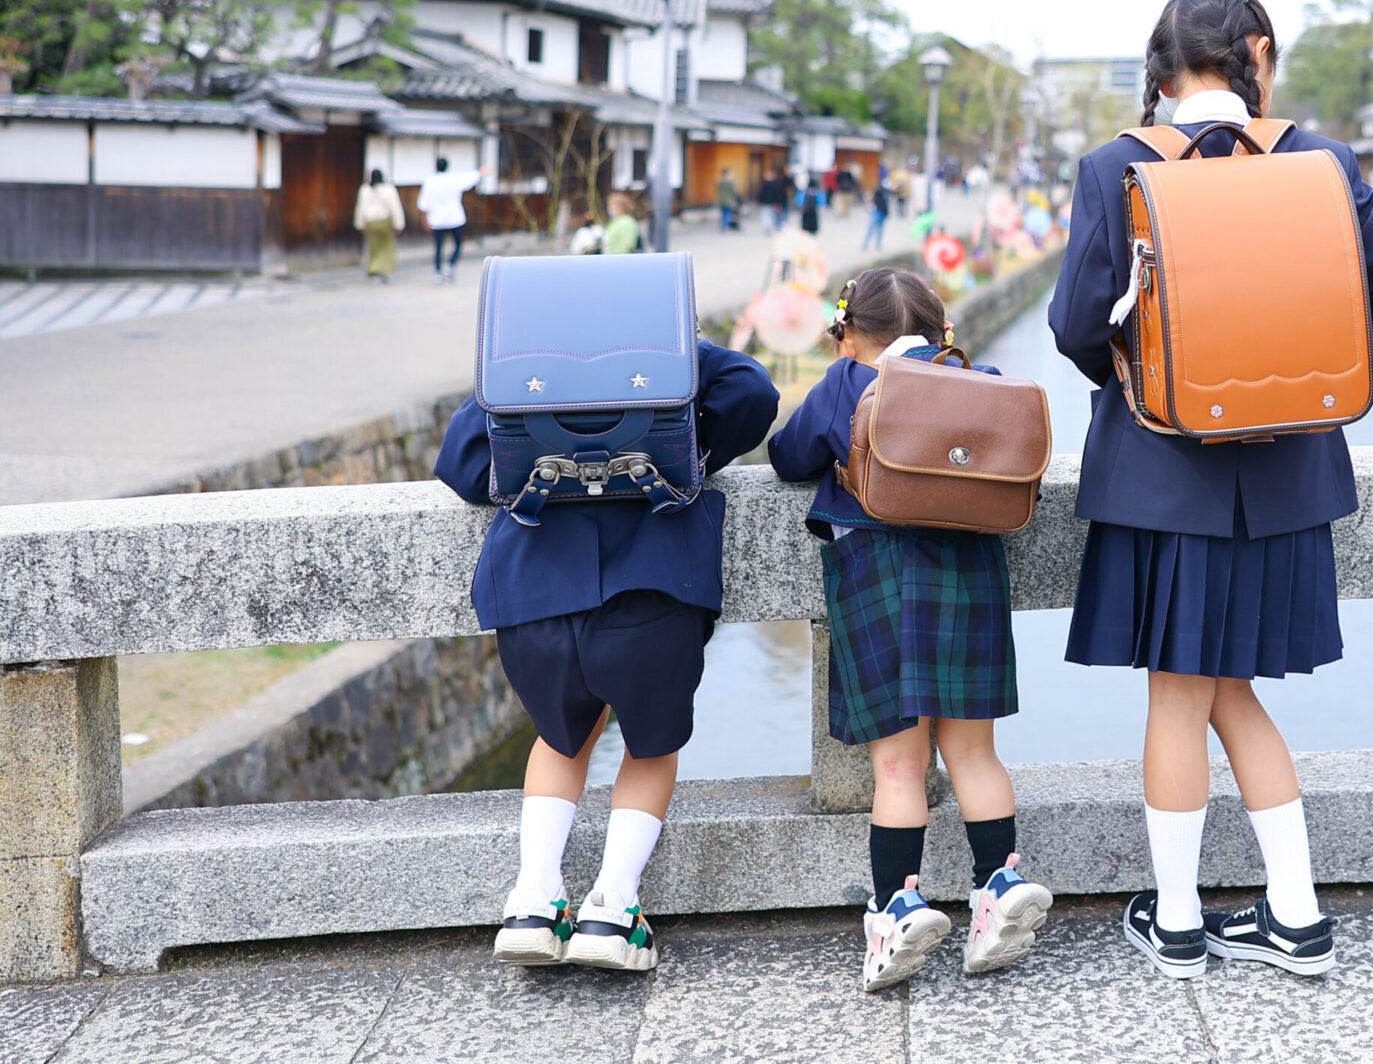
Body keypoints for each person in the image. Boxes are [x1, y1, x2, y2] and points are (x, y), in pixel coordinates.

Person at [1048, 0, 1373, 981]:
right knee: (1229, 688)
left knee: (1180, 696)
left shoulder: (1117, 165)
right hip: (1284, 479)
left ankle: (1180, 919)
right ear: (1257, 51)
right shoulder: (1317, 160)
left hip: (1158, 475)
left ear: (1162, 68)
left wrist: (1143, 379)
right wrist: (1317, 383)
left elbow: (1072, 325)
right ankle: (1296, 912)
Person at [435, 337, 779, 973]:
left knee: (559, 740)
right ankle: (612, 908)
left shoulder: (522, 362)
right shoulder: (668, 354)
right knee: (651, 748)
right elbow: (754, 394)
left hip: (536, 593)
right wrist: (692, 443)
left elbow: (461, 466)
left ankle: (533, 902)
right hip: (653, 587)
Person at [768, 268, 1052, 993]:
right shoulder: (978, 379)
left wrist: (843, 378)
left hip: (879, 572)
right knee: (975, 753)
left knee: (897, 765)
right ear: (942, 332)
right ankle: (999, 886)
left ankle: (899, 906)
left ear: (849, 332)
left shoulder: (846, 383)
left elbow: (788, 456)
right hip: (971, 575)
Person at [419, 156, 489, 285]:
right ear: (447, 166)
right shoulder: (454, 179)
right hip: (454, 218)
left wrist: (425, 219)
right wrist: (480, 172)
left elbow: (423, 203)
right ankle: (450, 266)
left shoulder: (430, 181)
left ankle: (438, 273)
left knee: (438, 247)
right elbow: (469, 178)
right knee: (458, 244)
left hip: (437, 219)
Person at [352, 169, 405, 284]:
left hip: (370, 222)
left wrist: (359, 223)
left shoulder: (365, 190)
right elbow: (395, 208)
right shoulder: (388, 190)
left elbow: (360, 208)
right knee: (386, 247)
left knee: (374, 247)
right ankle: (381, 270)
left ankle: (373, 269)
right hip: (384, 221)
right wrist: (399, 223)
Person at [861, 177, 893, 250]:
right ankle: (866, 244)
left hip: (883, 212)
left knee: (880, 229)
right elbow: (871, 198)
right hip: (877, 211)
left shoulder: (887, 192)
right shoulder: (879, 190)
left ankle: (877, 245)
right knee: (872, 227)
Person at [755, 170, 785, 235]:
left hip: (766, 203)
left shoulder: (765, 184)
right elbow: (779, 195)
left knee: (766, 215)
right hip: (772, 203)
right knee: (771, 216)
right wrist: (779, 203)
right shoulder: (776, 184)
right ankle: (769, 228)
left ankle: (767, 228)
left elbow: (760, 193)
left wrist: (758, 200)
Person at [717, 168, 741, 233]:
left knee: (724, 213)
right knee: (728, 213)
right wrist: (735, 200)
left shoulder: (720, 182)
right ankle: (726, 226)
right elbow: (734, 192)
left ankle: (723, 225)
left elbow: (718, 191)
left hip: (722, 200)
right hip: (729, 200)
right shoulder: (730, 182)